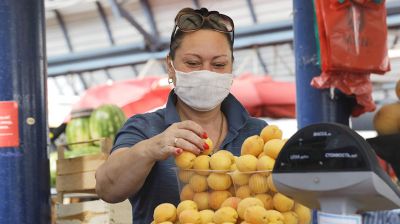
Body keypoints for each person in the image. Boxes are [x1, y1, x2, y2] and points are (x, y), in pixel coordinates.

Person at [95, 7, 267, 223]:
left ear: (232, 68)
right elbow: (106, 188)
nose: (206, 73)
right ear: (170, 66)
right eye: (193, 63)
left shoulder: (257, 134)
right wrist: (151, 148)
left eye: (219, 64)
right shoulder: (144, 128)